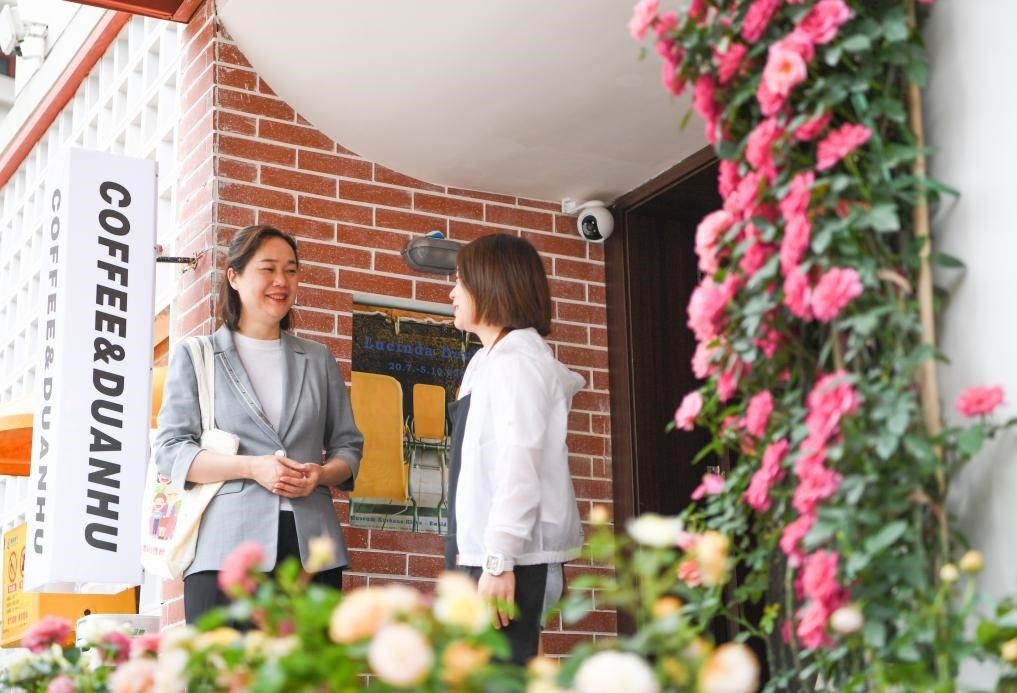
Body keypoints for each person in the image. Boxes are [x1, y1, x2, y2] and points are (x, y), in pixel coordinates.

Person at [153, 224, 363, 623]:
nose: (281, 281)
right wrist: (252, 467)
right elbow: (171, 450)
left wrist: (320, 475)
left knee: (307, 665)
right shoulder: (197, 355)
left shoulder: (318, 359)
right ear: (234, 277)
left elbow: (348, 447)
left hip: (310, 550)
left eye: (291, 270)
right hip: (225, 552)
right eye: (268, 269)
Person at [447, 233, 585, 665]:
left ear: (490, 284)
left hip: (509, 560)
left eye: (460, 280)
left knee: (504, 676)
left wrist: (499, 561)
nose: (452, 293)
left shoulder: (518, 363)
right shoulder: (486, 361)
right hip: (483, 551)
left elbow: (520, 463)